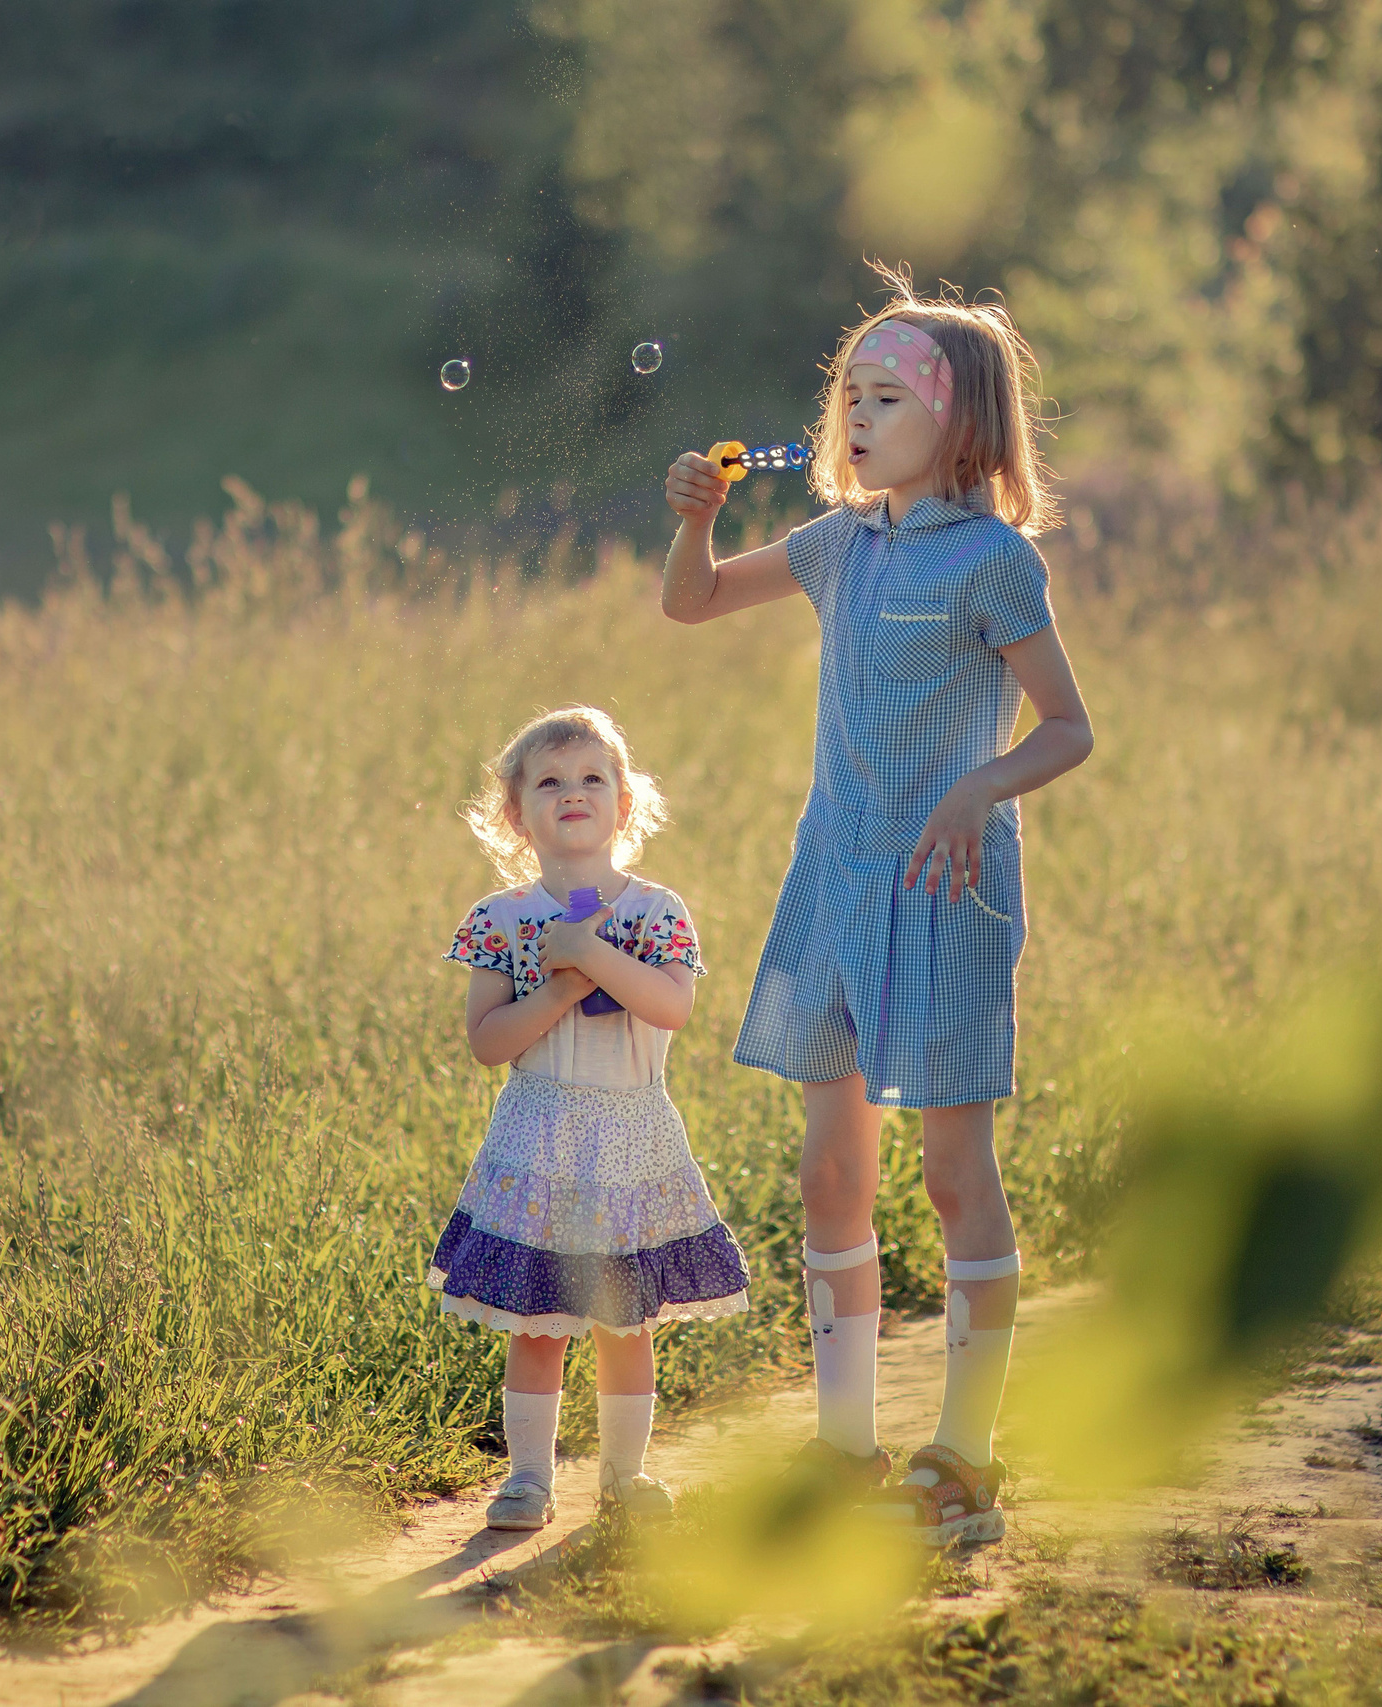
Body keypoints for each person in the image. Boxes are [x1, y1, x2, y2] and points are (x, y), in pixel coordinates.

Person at [657, 271, 1094, 1546]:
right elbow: (690, 602)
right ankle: (842, 1449)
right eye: (848, 393)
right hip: (832, 883)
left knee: (954, 1179)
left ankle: (963, 1457)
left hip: (947, 894)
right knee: (828, 1170)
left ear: (962, 430)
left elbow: (1067, 729)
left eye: (886, 396)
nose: (854, 414)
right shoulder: (837, 546)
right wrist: (693, 520)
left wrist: (981, 789)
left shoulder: (993, 562)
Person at [429, 705, 750, 1531]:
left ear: (625, 805)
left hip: (630, 1138)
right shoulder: (501, 918)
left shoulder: (653, 910)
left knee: (623, 1318)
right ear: (515, 813)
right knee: (537, 1323)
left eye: (592, 778)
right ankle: (529, 1479)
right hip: (539, 1136)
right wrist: (562, 985)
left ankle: (624, 1475)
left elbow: (672, 1006)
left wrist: (593, 952)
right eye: (549, 781)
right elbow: (488, 1041)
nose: (572, 792)